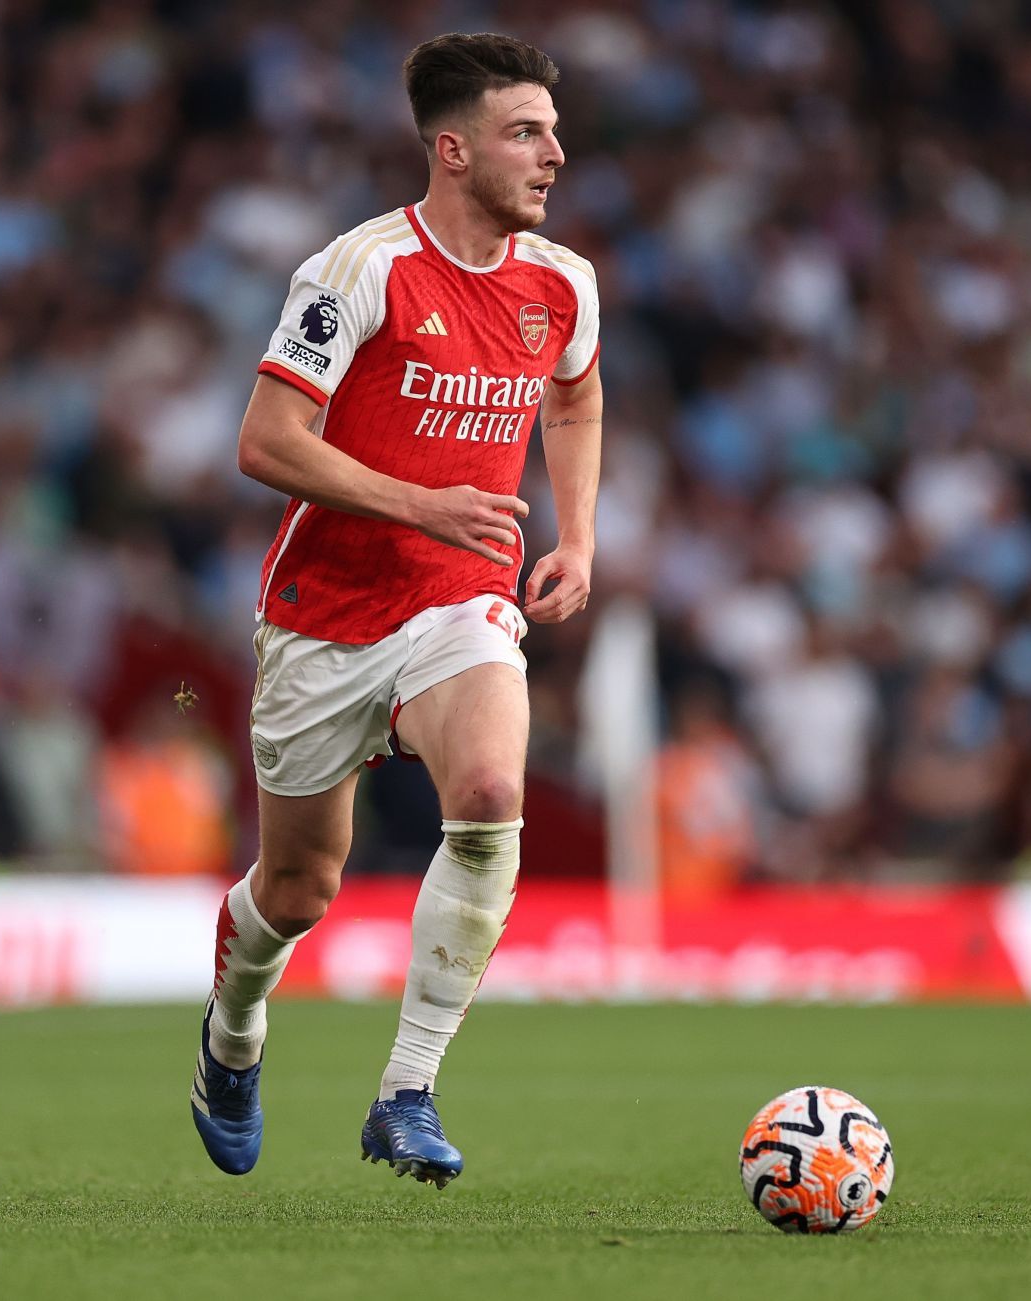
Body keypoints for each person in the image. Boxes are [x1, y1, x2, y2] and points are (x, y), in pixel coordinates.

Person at [190, 32, 600, 1188]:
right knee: (299, 887)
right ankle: (232, 1033)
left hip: (457, 599)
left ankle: (407, 1090)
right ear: (453, 147)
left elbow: (576, 395)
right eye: (528, 132)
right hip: (325, 613)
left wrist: (578, 532)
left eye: (555, 130)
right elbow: (265, 441)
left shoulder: (562, 282)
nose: (556, 153)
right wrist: (422, 499)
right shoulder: (355, 270)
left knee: (486, 794)